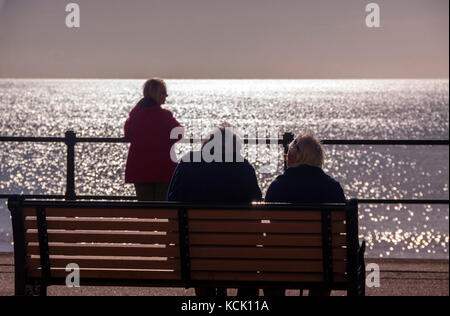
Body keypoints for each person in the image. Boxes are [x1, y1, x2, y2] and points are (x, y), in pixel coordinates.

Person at [168, 126, 262, 296]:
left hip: (194, 252)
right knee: (249, 261)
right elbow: (256, 201)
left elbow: (171, 201)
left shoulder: (188, 162)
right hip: (238, 252)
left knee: (198, 253)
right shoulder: (243, 167)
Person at [264, 133, 346, 297]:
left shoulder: (277, 187)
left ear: (294, 157)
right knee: (325, 264)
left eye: (288, 151)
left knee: (273, 263)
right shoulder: (333, 188)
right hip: (323, 266)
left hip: (281, 264)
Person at [124, 78, 183, 201]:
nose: (166, 96)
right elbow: (179, 133)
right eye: (163, 93)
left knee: (144, 211)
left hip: (140, 169)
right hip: (162, 168)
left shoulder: (135, 115)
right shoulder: (165, 116)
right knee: (163, 210)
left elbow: (128, 134)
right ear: (155, 93)